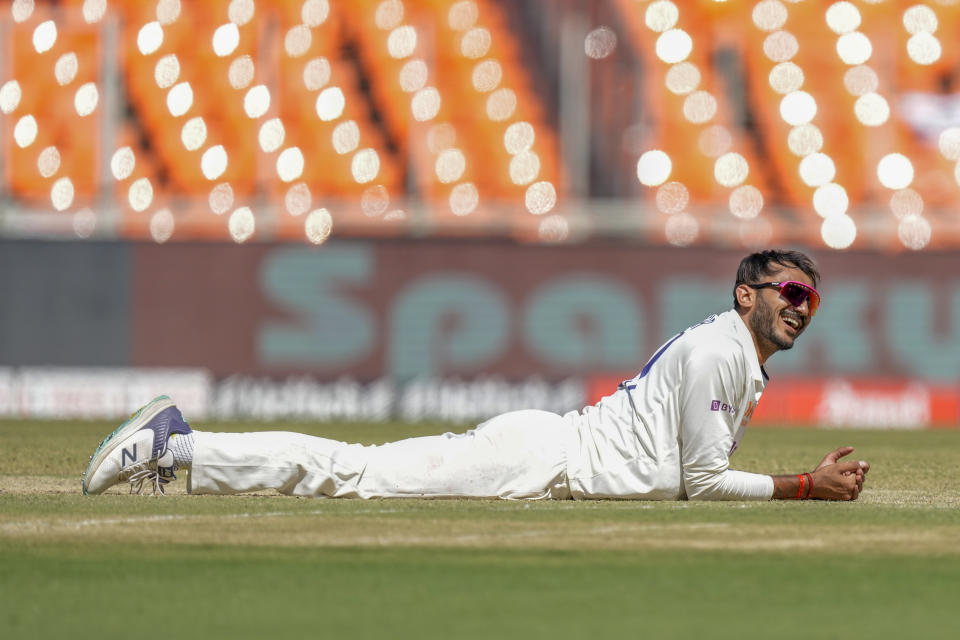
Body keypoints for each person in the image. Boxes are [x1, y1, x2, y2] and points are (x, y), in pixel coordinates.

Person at [82, 249, 869, 501]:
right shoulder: (719, 349)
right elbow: (703, 481)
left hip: (553, 464)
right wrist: (805, 487)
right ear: (747, 295)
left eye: (812, 298)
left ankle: (181, 455)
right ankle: (175, 446)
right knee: (354, 474)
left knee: (355, 475)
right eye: (790, 292)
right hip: (544, 460)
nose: (804, 306)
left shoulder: (740, 359)